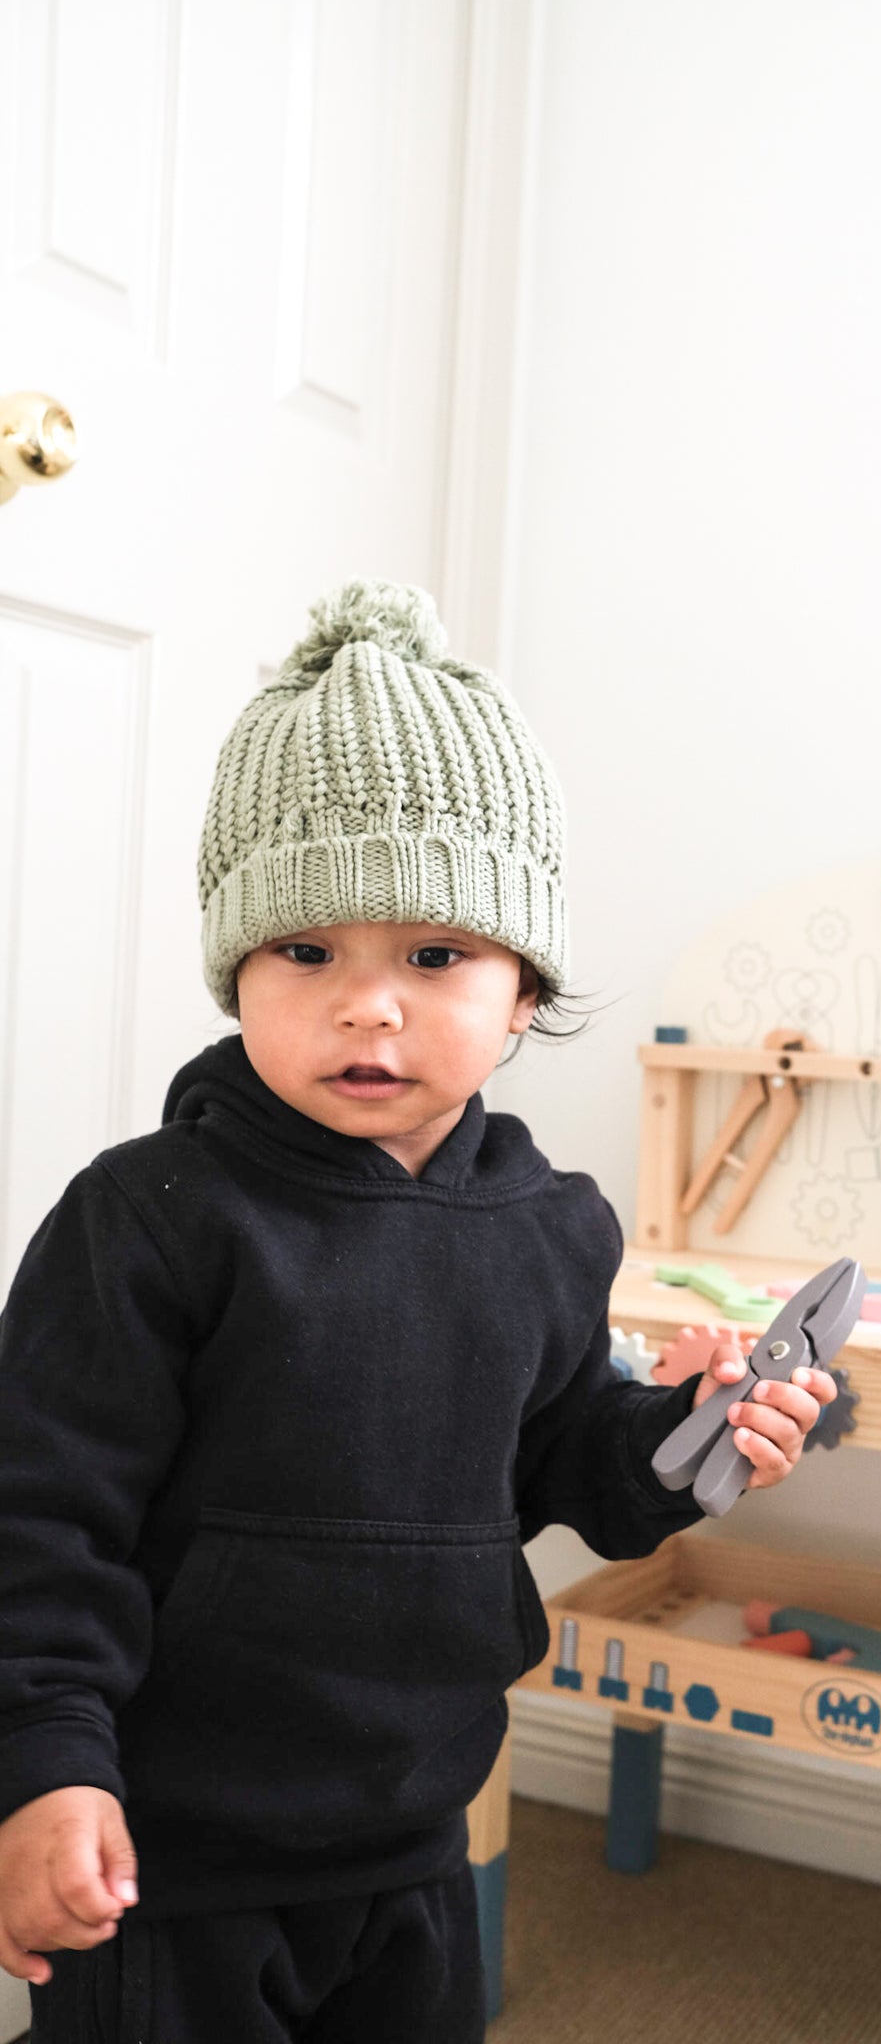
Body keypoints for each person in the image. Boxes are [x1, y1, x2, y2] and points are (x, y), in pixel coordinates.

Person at [0, 582, 837, 2041]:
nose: (367, 1006)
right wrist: (43, 1763)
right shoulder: (148, 1220)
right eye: (307, 952)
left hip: (414, 1824)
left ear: (524, 994)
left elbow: (558, 1461)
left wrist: (679, 1438)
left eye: (434, 957)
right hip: (169, 1849)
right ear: (237, 973)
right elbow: (39, 1523)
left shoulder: (548, 1226)